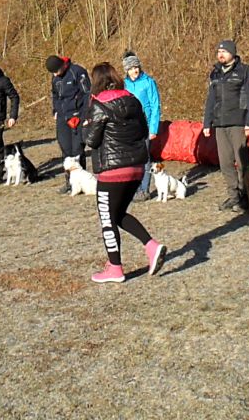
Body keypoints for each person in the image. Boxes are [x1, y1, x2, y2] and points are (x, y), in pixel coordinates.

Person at [84, 62, 166, 283]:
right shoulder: (133, 101)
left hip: (112, 171)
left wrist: (86, 123)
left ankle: (115, 267)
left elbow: (91, 140)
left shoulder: (99, 105)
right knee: (118, 214)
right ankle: (151, 246)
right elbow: (142, 129)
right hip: (136, 168)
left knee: (106, 219)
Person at [202, 38, 249, 212]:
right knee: (225, 162)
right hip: (220, 123)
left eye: (224, 52)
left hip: (239, 123)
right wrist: (207, 122)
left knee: (242, 162)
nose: (220, 54)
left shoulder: (245, 71)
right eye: (219, 52)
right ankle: (233, 196)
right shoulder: (215, 73)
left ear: (232, 53)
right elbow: (211, 99)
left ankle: (246, 196)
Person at [46, 54, 91, 192]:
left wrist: (85, 116)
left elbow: (87, 94)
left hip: (77, 116)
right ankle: (69, 182)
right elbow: (55, 95)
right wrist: (55, 111)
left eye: (56, 71)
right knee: (66, 150)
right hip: (62, 118)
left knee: (77, 150)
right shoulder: (55, 78)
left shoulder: (77, 72)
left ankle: (81, 182)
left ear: (63, 66)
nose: (55, 74)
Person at [122, 51, 161, 202]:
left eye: (136, 67)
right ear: (126, 70)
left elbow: (155, 105)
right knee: (131, 158)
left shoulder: (148, 82)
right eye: (131, 68)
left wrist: (153, 128)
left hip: (144, 124)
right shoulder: (124, 85)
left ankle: (144, 189)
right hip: (129, 126)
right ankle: (134, 188)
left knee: (144, 158)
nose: (134, 70)